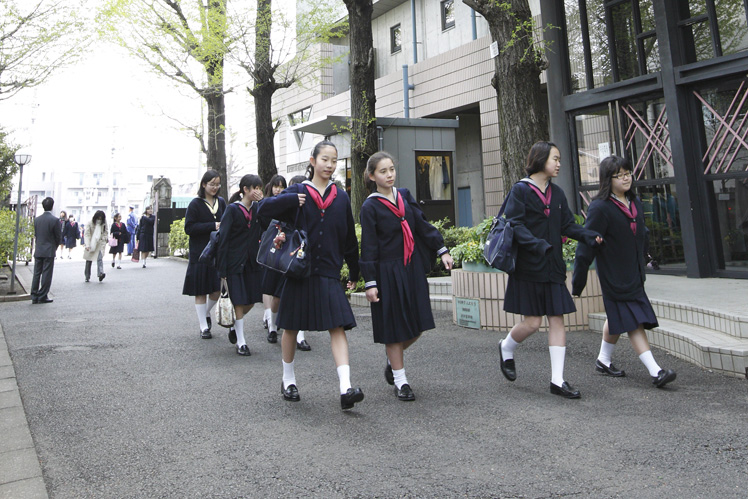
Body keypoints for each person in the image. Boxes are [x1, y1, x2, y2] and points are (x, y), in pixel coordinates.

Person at [259, 140, 363, 411]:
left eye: (334, 160)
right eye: (325, 159)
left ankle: (345, 387)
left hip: (328, 271)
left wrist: (354, 270)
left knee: (337, 327)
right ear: (312, 160)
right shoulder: (298, 192)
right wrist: (289, 199)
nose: (329, 165)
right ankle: (288, 379)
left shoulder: (340, 197)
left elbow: (349, 237)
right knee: (291, 327)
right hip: (299, 271)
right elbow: (262, 211)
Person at [498, 141, 603, 399]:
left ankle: (557, 380)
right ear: (540, 159)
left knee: (557, 318)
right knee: (532, 322)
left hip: (553, 265)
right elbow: (515, 224)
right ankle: (505, 347)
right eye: (555, 159)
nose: (558, 164)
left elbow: (567, 224)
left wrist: (589, 236)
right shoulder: (520, 190)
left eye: (559, 159)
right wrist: (536, 245)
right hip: (529, 266)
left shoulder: (557, 193)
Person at [572, 155, 676, 388]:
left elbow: (642, 234)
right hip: (614, 275)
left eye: (628, 173)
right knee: (633, 322)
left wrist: (646, 259)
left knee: (617, 317)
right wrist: (578, 284)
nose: (625, 178)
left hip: (633, 273)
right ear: (608, 179)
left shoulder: (634, 201)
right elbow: (586, 245)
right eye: (619, 175)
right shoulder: (600, 207)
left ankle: (603, 360)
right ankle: (656, 371)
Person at [360, 152, 454, 401]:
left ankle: (392, 360)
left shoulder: (404, 195)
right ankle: (401, 382)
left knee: (418, 324)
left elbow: (422, 225)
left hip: (411, 268)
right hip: (387, 272)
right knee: (394, 328)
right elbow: (368, 246)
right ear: (372, 176)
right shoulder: (370, 206)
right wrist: (370, 282)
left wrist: (441, 249)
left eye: (391, 169)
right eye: (383, 171)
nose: (389, 174)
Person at [216, 174, 264, 355]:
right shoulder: (233, 210)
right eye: (255, 188)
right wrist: (222, 269)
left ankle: (234, 326)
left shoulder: (258, 209)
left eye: (260, 188)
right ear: (245, 189)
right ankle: (241, 342)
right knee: (239, 300)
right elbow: (224, 239)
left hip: (252, 262)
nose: (258, 192)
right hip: (234, 263)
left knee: (251, 300)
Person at [183, 170, 226, 340]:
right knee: (200, 291)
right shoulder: (195, 204)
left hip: (217, 253)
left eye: (217, 184)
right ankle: (203, 327)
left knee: (216, 290)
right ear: (204, 184)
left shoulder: (221, 202)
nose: (215, 187)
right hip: (199, 252)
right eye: (211, 184)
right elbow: (189, 228)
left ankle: (206, 313)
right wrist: (212, 225)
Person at [260, 174, 288, 345]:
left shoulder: (288, 205)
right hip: (270, 251)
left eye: (281, 186)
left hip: (285, 252)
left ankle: (273, 321)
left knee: (277, 290)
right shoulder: (266, 205)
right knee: (269, 286)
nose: (278, 189)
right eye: (276, 186)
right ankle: (270, 321)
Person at [287, 175, 312, 351]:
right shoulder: (287, 204)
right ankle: (272, 324)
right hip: (286, 256)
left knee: (303, 297)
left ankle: (301, 336)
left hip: (304, 257)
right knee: (281, 298)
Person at [30, 197, 62, 304]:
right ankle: (43, 295)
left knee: (37, 273)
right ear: (52, 206)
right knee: (46, 274)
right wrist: (54, 247)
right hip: (49, 250)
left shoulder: (37, 220)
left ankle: (34, 295)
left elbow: (37, 234)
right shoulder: (55, 220)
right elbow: (58, 237)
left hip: (39, 249)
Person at [83, 210, 108, 283]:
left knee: (99, 258)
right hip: (91, 243)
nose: (99, 220)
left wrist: (104, 239)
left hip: (100, 243)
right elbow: (87, 234)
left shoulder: (104, 223)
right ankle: (87, 276)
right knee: (89, 260)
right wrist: (87, 245)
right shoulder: (90, 223)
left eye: (101, 219)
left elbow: (106, 232)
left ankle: (100, 273)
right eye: (98, 218)